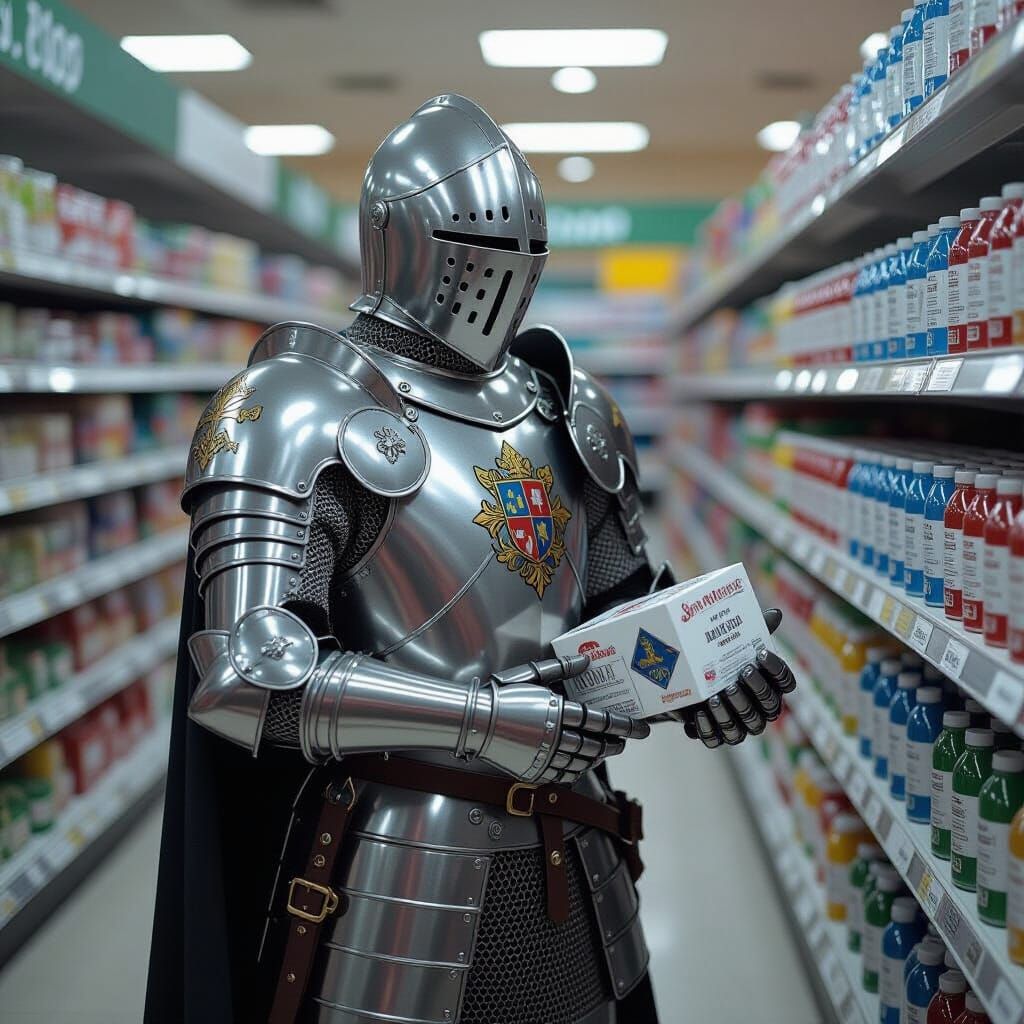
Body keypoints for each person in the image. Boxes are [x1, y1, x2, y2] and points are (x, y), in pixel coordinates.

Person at [145, 93, 796, 1024]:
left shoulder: (568, 407)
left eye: (525, 252)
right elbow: (249, 679)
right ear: (404, 241)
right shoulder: (294, 409)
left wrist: (706, 671)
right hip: (391, 870)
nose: (503, 274)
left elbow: (617, 608)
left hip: (579, 853)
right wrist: (483, 720)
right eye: (480, 247)